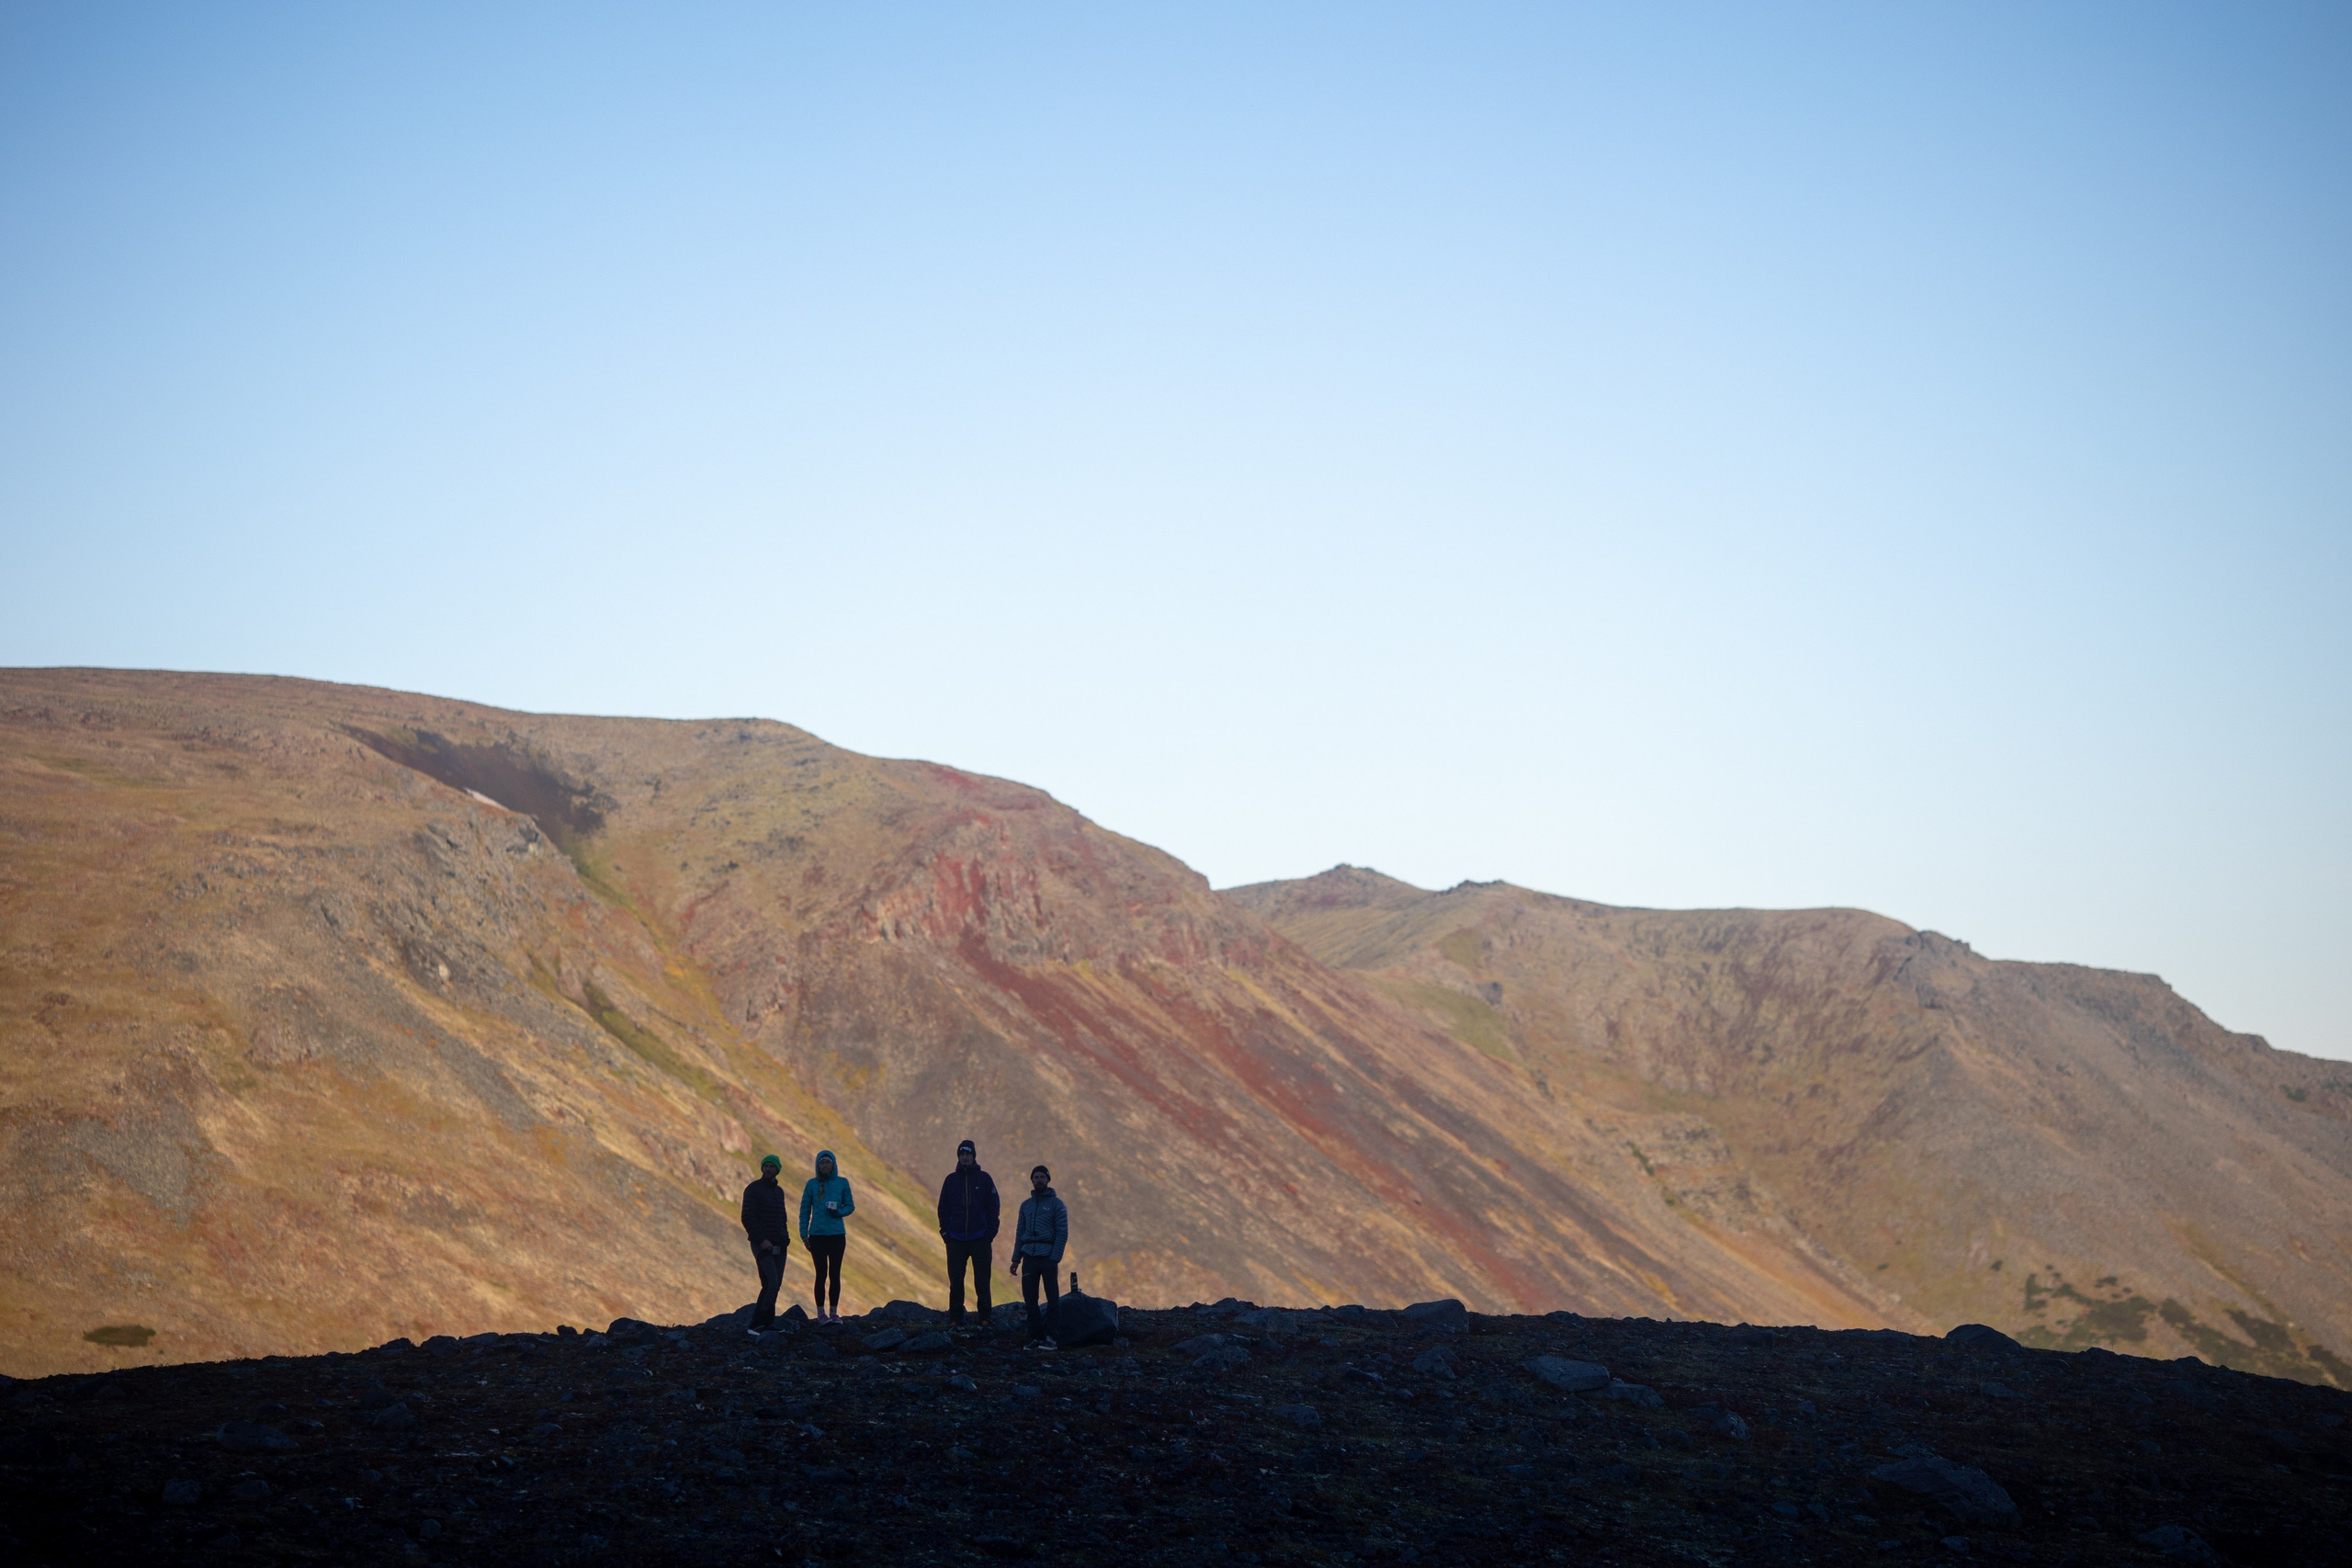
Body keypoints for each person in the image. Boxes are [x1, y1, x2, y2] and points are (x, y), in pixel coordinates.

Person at [936, 1139, 1000, 1330]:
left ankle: (985, 1316)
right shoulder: (950, 1180)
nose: (965, 1157)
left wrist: (989, 1234)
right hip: (955, 1239)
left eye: (968, 1154)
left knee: (982, 1279)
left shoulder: (984, 1179)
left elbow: (994, 1207)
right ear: (958, 1156)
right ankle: (956, 1317)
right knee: (956, 1281)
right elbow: (943, 1208)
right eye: (962, 1154)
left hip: (980, 1238)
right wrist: (946, 1233)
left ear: (974, 1156)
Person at [1012, 1164, 1069, 1349]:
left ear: (1048, 1180)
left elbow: (1062, 1232)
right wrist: (1016, 1259)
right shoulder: (1025, 1206)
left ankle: (1052, 1338)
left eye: (1042, 1177)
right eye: (1036, 1177)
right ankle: (1036, 1337)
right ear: (1032, 1180)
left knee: (1053, 1298)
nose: (1039, 1180)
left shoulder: (1057, 1205)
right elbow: (1020, 1232)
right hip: (1029, 1257)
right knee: (1030, 1299)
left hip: (1048, 1257)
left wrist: (1055, 1257)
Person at [799, 1149, 856, 1323]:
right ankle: (820, 1314)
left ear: (834, 1164)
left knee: (835, 1274)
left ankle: (833, 1313)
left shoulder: (842, 1183)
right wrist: (804, 1235)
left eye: (827, 1162)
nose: (824, 1165)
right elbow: (804, 1210)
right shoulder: (811, 1184)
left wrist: (838, 1212)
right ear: (817, 1165)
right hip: (817, 1235)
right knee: (821, 1274)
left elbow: (850, 1206)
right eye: (821, 1163)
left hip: (837, 1234)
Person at [740, 1154, 791, 1334]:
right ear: (762, 1168)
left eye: (772, 1166)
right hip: (761, 1245)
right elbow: (747, 1217)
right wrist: (762, 1240)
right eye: (766, 1166)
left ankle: (768, 1323)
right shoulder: (753, 1189)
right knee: (771, 1283)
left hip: (780, 1246)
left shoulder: (779, 1192)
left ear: (777, 1170)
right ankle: (756, 1324)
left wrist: (785, 1239)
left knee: (774, 1286)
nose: (768, 1169)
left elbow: (782, 1218)